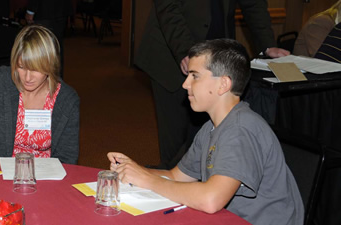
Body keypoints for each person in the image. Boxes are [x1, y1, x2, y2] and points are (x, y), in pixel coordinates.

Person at [110, 39, 303, 225]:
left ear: (223, 85)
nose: (185, 84)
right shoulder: (212, 126)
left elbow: (211, 200)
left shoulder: (239, 130)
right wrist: (133, 170)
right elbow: (177, 177)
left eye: (195, 75)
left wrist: (147, 180)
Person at [136, 0, 290, 169]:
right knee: (176, 140)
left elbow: (253, 4)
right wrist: (187, 52)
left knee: (212, 133)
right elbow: (168, 8)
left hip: (218, 55)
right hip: (172, 54)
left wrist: (267, 45)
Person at [0, 25, 80, 170]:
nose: (27, 78)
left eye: (36, 69)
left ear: (50, 65)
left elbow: (67, 160)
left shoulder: (67, 99)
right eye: (21, 67)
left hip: (45, 180)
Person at [25, 0, 73, 78]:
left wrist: (31, 10)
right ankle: (57, 82)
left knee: (42, 48)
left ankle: (46, 81)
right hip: (61, 9)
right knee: (56, 47)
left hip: (44, 10)